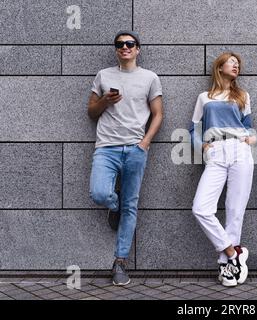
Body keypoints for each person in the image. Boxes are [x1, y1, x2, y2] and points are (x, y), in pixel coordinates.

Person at [87, 30, 163, 286]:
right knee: (99, 193)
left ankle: (120, 263)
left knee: (132, 205)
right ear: (116, 49)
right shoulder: (103, 76)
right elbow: (91, 112)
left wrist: (145, 143)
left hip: (135, 148)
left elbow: (158, 114)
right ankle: (113, 205)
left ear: (138, 49)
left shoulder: (149, 78)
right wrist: (106, 101)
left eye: (130, 44)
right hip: (106, 147)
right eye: (120, 44)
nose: (124, 47)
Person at [190, 52, 256, 287]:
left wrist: (251, 138)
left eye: (238, 63)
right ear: (219, 67)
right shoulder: (204, 98)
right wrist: (203, 148)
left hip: (240, 150)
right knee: (200, 208)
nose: (236, 65)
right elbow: (194, 129)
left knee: (234, 210)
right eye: (231, 62)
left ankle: (228, 267)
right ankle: (233, 252)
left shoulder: (243, 96)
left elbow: (248, 127)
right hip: (216, 151)